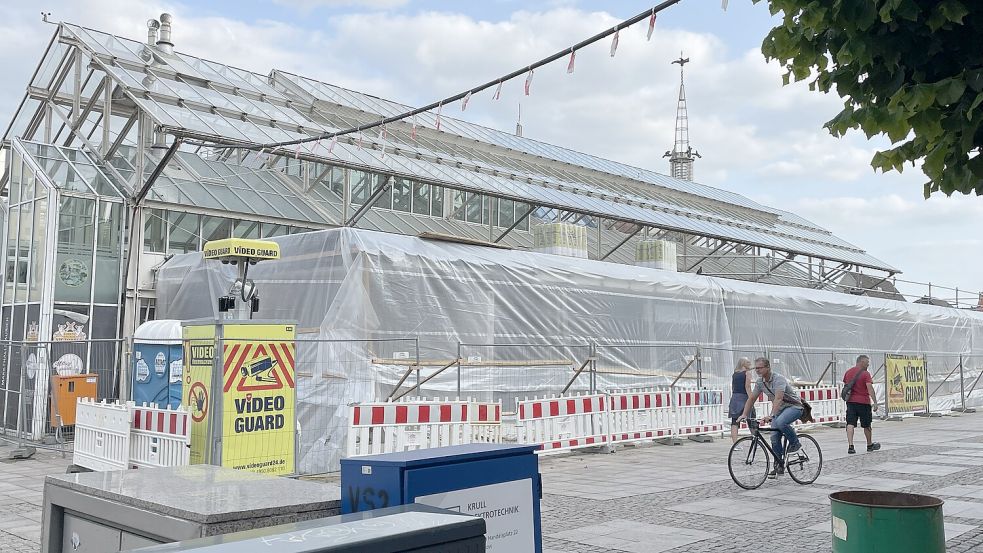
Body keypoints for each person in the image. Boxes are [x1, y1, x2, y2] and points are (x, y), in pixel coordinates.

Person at [739, 357, 803, 478]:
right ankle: (778, 465)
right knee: (774, 438)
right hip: (779, 410)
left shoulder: (779, 379)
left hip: (794, 407)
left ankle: (795, 443)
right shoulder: (760, 382)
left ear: (768, 368)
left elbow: (778, 398)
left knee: (780, 422)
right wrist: (744, 414)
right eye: (756, 368)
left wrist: (771, 415)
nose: (757, 370)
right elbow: (752, 398)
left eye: (760, 368)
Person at [843, 354, 880, 454]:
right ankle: (869, 445)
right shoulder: (865, 374)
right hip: (863, 402)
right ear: (861, 362)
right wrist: (875, 402)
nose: (868, 365)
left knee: (850, 423)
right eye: (867, 363)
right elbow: (870, 388)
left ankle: (850, 446)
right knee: (867, 425)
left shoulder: (848, 372)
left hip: (851, 402)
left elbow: (846, 387)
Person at [729, 357, 755, 443]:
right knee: (751, 418)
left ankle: (735, 443)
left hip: (735, 397)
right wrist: (752, 398)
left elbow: (733, 387)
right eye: (748, 362)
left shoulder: (735, 374)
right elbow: (747, 387)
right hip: (744, 397)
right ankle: (755, 439)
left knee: (734, 421)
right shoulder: (747, 373)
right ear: (744, 364)